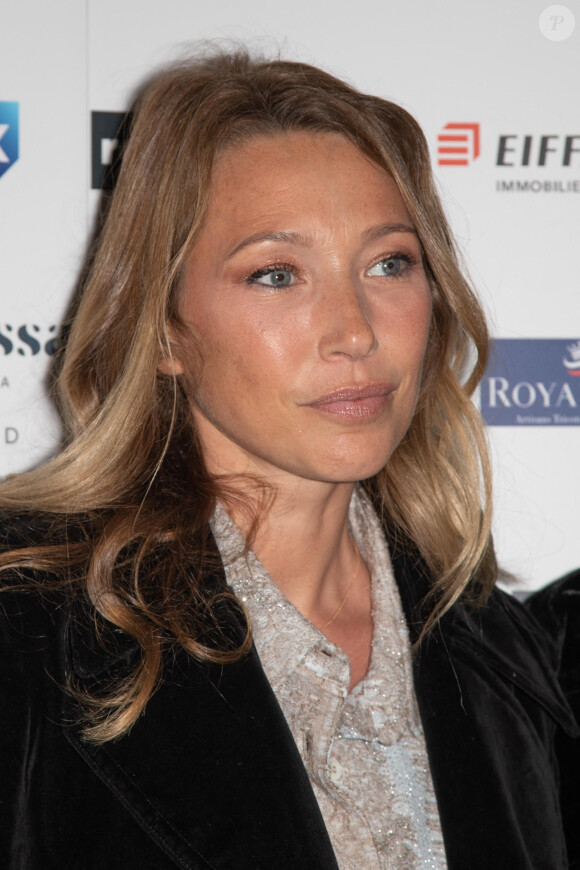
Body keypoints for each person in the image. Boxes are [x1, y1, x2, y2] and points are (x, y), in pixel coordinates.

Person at [0, 49, 576, 870]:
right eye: (277, 274)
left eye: (389, 264)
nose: (356, 331)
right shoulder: (30, 630)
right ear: (163, 331)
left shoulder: (505, 659)